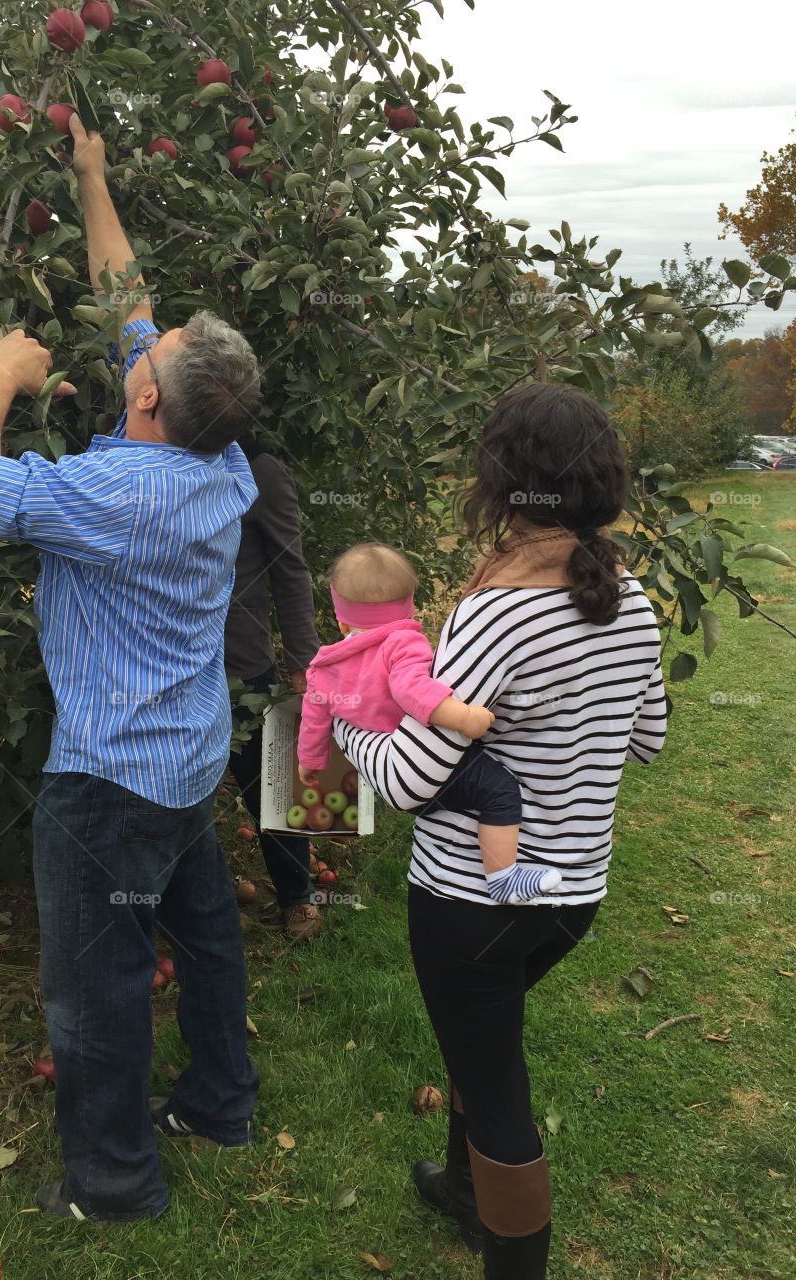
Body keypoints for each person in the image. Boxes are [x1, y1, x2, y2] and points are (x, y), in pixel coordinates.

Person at [0, 114, 263, 1223]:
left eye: (148, 359)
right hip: (186, 758)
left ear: (151, 399)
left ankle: (114, 1182)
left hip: (108, 785)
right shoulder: (220, 460)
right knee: (205, 936)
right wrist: (92, 174)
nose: (142, 344)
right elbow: (130, 299)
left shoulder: (111, 497)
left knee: (97, 983)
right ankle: (221, 1099)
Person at [332, 383, 667, 1279]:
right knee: (483, 1041)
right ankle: (463, 1188)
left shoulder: (494, 612)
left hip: (475, 902)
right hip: (566, 896)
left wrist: (338, 727)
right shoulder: (631, 600)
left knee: (492, 1073)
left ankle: (515, 1260)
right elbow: (650, 739)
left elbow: (407, 778)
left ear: (502, 480)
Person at [297, 541, 562, 904]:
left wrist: (310, 763)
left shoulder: (324, 665)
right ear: (409, 607)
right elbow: (411, 690)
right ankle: (503, 878)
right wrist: (466, 718)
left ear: (342, 619)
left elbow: (314, 720)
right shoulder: (402, 642)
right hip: (418, 763)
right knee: (499, 790)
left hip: (385, 774)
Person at [224, 438, 322, 938]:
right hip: (172, 671)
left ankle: (296, 896)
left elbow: (290, 569)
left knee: (273, 790)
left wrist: (305, 663)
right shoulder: (158, 460)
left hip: (243, 668)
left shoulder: (258, 467)